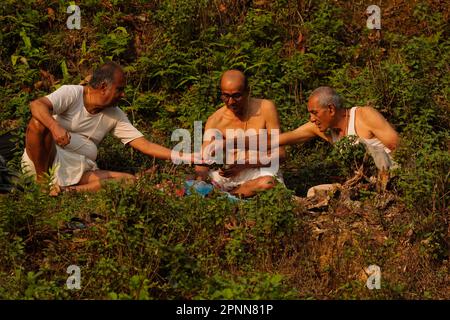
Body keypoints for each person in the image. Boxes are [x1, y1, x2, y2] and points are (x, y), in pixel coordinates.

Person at [22, 61, 195, 193]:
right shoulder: (73, 93)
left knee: (129, 181)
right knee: (38, 123)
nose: (123, 94)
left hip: (79, 170)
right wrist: (54, 127)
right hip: (45, 162)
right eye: (119, 89)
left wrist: (187, 157)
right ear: (104, 87)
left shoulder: (115, 114)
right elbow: (36, 105)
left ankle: (68, 192)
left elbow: (145, 145)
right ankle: (43, 184)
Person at [195, 70, 285, 198]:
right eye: (226, 96)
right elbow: (203, 160)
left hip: (260, 170)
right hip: (229, 176)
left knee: (268, 183)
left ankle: (226, 197)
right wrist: (200, 178)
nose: (231, 102)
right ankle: (228, 195)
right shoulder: (215, 120)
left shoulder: (266, 108)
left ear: (247, 92)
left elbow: (280, 154)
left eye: (236, 96)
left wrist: (245, 164)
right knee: (191, 184)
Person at [279, 86, 399, 179]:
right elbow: (289, 137)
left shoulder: (363, 115)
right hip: (364, 185)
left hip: (393, 176)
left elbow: (400, 148)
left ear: (331, 109)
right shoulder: (325, 130)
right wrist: (261, 142)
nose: (311, 118)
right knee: (314, 191)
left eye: (315, 113)